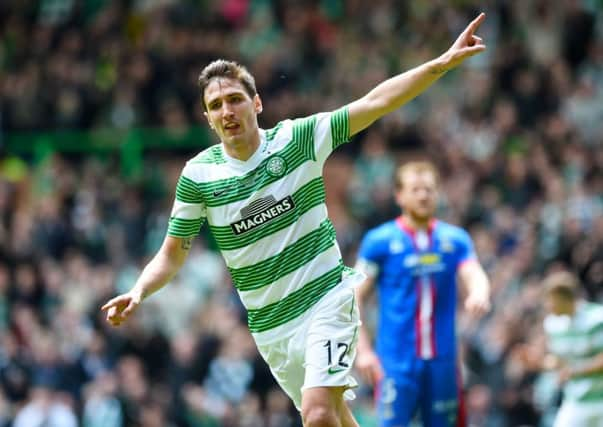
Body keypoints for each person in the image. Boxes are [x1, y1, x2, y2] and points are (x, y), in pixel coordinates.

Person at [101, 13, 488, 427]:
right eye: (216, 106)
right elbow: (172, 254)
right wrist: (140, 290)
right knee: (336, 417)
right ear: (208, 119)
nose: (227, 110)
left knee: (318, 415)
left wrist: (439, 64)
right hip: (271, 327)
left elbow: (374, 103)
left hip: (326, 299)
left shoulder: (297, 140)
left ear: (257, 103)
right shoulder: (198, 176)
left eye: (235, 99)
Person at [354, 161, 491, 427]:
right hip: (395, 363)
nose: (423, 195)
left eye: (429, 189)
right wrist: (364, 350)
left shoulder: (455, 239)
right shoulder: (379, 241)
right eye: (415, 189)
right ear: (399, 196)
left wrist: (479, 292)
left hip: (443, 362)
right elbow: (353, 296)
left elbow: (474, 272)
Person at [541, 270, 603, 427]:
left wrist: (576, 371)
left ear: (564, 298)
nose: (548, 305)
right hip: (576, 401)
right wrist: (537, 362)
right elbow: (561, 363)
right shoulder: (553, 325)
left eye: (550, 299)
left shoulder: (596, 319)